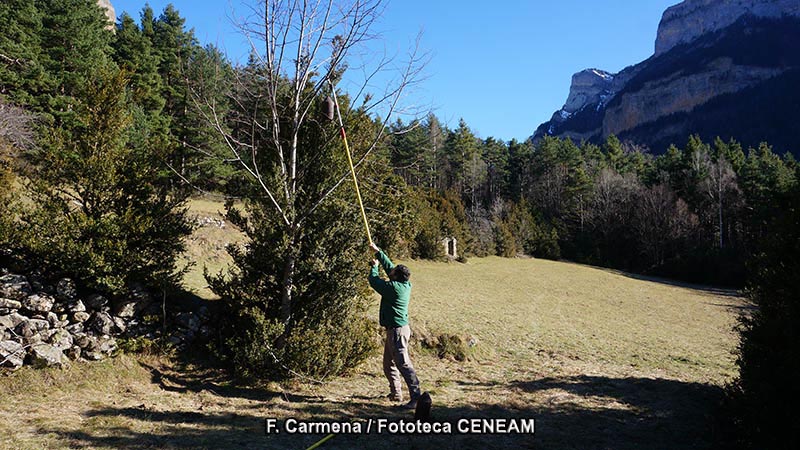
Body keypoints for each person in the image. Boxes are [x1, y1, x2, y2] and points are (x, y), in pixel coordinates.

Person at [368, 241, 421, 409]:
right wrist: (378, 252)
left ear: (396, 277)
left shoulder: (394, 288)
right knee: (388, 364)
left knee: (403, 364)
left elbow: (374, 281)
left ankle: (416, 397)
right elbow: (390, 267)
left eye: (392, 273)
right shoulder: (404, 284)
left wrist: (374, 267)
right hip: (396, 330)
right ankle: (396, 394)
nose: (390, 272)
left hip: (397, 331)